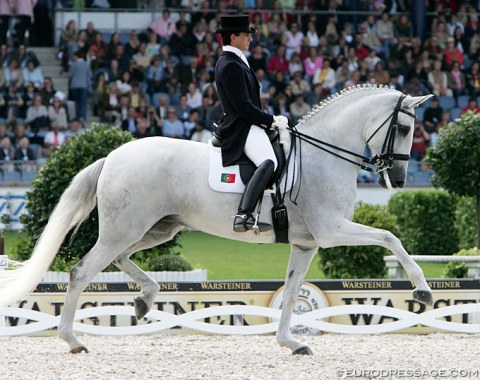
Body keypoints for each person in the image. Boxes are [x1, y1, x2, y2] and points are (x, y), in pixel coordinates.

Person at [214, 15, 288, 233]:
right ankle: (243, 215)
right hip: (241, 126)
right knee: (269, 162)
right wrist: (270, 120)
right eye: (246, 35)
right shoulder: (229, 64)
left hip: (247, 122)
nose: (250, 39)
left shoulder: (237, 60)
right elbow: (243, 107)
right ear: (234, 36)